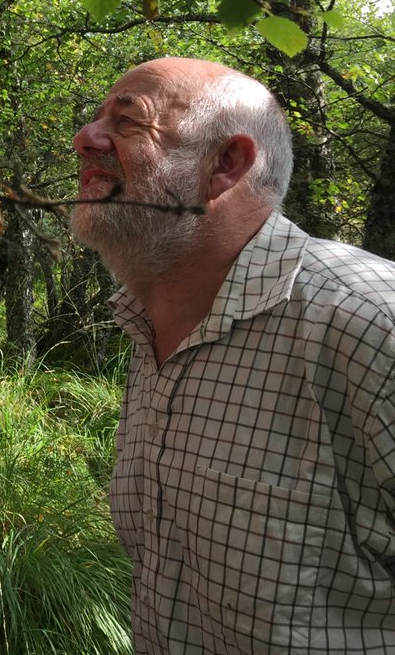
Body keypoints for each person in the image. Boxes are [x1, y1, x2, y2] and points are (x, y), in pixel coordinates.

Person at [71, 56, 395, 653]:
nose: (85, 139)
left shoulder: (369, 319)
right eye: (96, 119)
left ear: (226, 164)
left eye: (127, 121)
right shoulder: (147, 325)